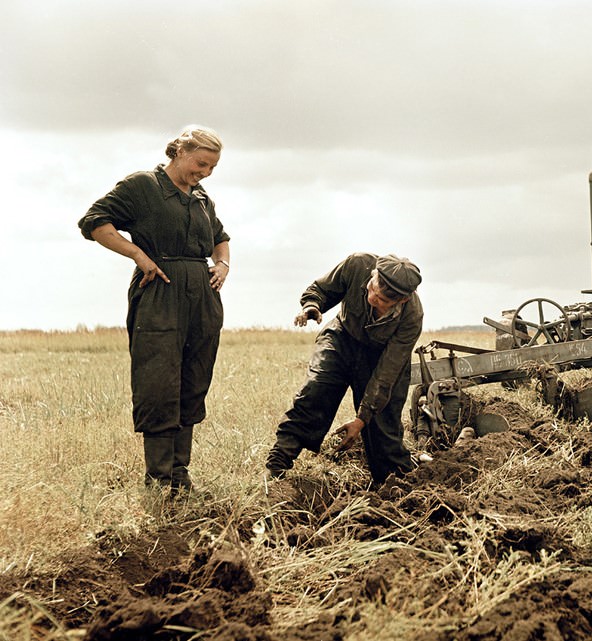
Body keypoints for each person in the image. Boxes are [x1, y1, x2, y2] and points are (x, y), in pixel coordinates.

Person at [77, 125, 230, 492]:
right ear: (179, 152)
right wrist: (137, 254)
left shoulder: (201, 197)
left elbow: (221, 238)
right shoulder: (143, 186)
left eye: (212, 168)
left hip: (203, 300)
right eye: (201, 163)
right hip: (160, 291)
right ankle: (160, 481)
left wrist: (222, 266)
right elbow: (94, 222)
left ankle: (181, 475)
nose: (205, 173)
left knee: (193, 382)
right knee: (159, 382)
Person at [266, 253, 423, 485]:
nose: (371, 298)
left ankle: (393, 484)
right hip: (342, 337)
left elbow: (386, 373)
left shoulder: (411, 316)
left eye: (380, 300)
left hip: (379, 356)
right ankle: (277, 464)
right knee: (315, 391)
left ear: (401, 301)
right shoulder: (358, 264)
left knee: (383, 424)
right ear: (373, 274)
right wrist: (312, 305)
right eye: (371, 288)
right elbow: (321, 289)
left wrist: (361, 420)